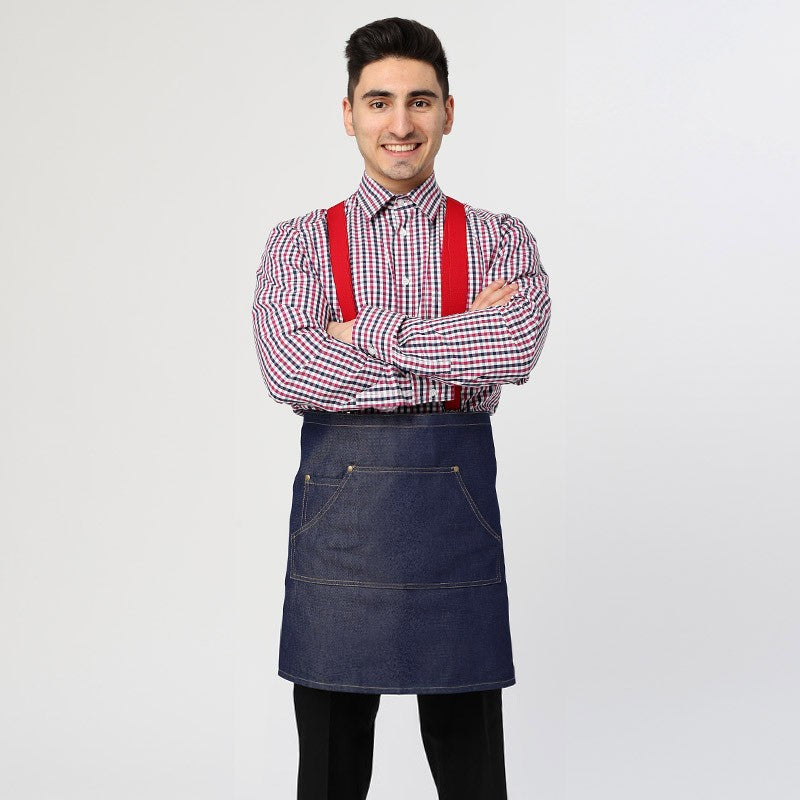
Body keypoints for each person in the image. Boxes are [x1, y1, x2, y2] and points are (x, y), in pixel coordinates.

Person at [252, 17, 552, 800]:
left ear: (448, 112)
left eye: (420, 101)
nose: (400, 123)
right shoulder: (298, 243)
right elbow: (290, 369)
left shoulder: (500, 238)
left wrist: (361, 333)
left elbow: (514, 349)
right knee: (329, 769)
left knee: (472, 770)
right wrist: (455, 345)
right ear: (347, 113)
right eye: (379, 101)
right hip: (340, 530)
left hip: (455, 518)